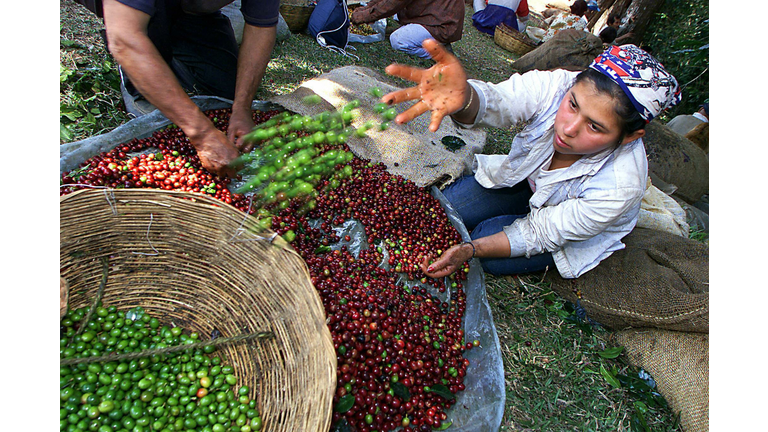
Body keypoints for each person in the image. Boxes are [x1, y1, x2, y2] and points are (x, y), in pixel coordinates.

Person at [379, 41, 680, 279]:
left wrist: (472, 250)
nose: (569, 128)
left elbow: (541, 233)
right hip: (528, 184)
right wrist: (465, 98)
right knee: (447, 210)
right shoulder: (556, 86)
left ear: (629, 137)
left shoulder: (619, 186)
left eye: (594, 126)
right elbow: (500, 103)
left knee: (484, 248)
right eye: (572, 105)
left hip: (567, 230)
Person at [78, 0, 280, 177]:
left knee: (225, 88)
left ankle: (164, 62)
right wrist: (202, 133)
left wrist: (242, 107)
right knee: (154, 109)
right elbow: (125, 39)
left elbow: (260, 27)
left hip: (192, 10)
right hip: (138, 11)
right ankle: (137, 70)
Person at [349, 0, 465, 58]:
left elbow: (394, 3)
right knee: (396, 19)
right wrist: (367, 8)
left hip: (441, 25)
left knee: (398, 40)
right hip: (431, 16)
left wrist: (365, 15)